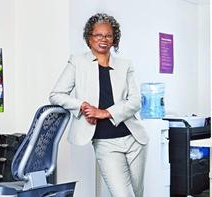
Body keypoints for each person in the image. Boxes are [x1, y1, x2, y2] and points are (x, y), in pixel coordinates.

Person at [49, 13, 148, 197]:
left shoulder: (125, 65)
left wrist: (105, 113)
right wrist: (82, 105)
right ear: (89, 37)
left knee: (137, 193)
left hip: (134, 139)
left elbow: (135, 101)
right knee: (123, 195)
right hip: (105, 143)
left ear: (114, 39)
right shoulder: (77, 62)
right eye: (98, 35)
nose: (103, 39)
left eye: (108, 35)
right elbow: (56, 95)